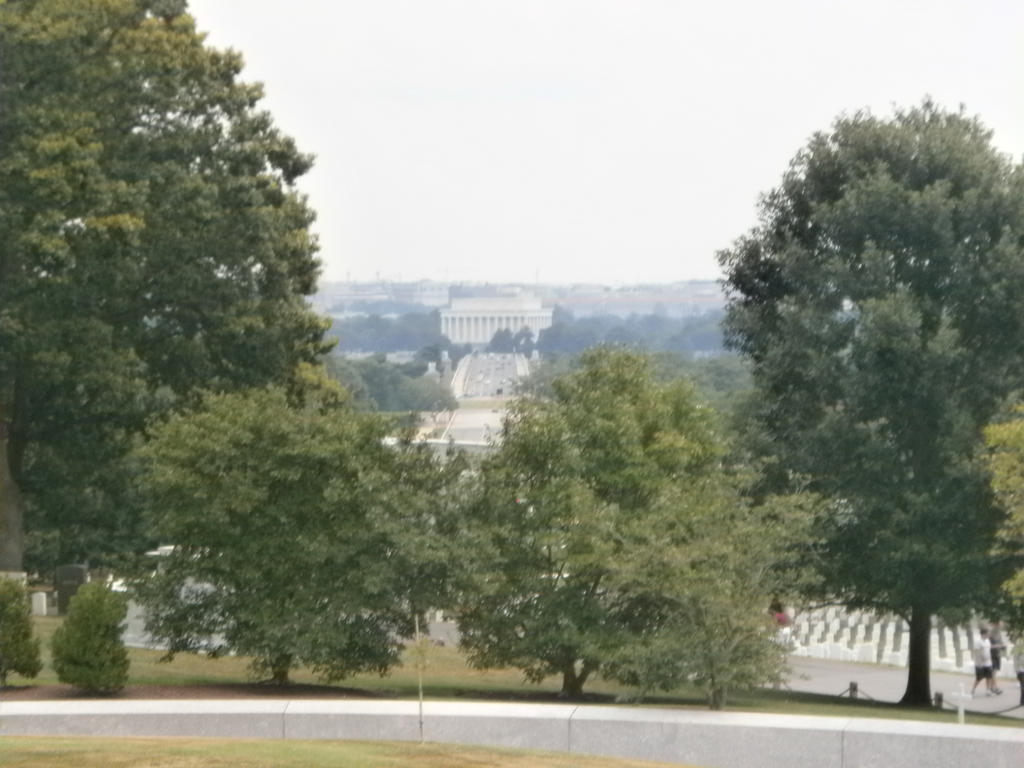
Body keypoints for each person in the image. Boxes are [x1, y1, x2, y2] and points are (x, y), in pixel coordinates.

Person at [972, 627, 1000, 697]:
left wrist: (998, 646)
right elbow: (976, 652)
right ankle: (973, 690)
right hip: (980, 664)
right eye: (987, 633)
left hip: (988, 663)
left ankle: (988, 691)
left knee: (989, 677)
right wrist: (979, 663)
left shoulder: (987, 641)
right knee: (979, 678)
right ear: (984, 634)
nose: (988, 634)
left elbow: (989, 648)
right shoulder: (978, 641)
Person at [1013, 635, 1024, 707]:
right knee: (1023, 685)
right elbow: (1015, 657)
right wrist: (1016, 670)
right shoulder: (1019, 643)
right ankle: (1022, 700)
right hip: (1021, 669)